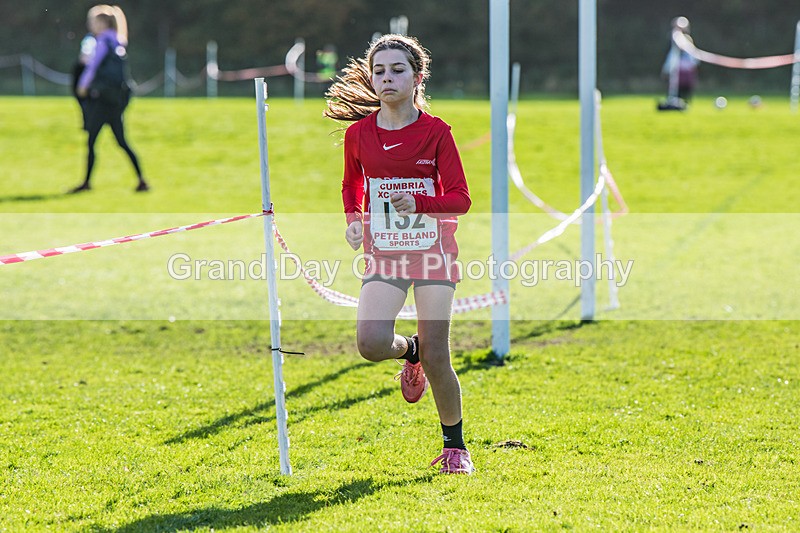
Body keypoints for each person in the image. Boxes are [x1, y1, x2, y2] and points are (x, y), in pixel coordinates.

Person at [325, 34, 474, 474]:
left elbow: (461, 198)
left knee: (438, 356)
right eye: (379, 71)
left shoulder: (436, 133)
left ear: (417, 77)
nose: (387, 78)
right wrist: (354, 219)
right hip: (385, 253)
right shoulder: (359, 134)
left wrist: (420, 203)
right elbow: (352, 184)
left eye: (397, 70)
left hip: (433, 253)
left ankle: (455, 449)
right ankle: (409, 351)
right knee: (370, 343)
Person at [69, 5, 149, 193]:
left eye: (93, 22)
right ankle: (141, 180)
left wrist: (82, 85)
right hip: (116, 100)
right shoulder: (118, 41)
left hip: (102, 99)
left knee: (91, 141)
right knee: (122, 141)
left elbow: (93, 66)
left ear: (103, 23)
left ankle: (86, 183)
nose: (91, 25)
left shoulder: (102, 40)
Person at [660, 16, 700, 109]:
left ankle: (684, 105)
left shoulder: (688, 42)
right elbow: (671, 58)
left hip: (686, 73)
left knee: (686, 92)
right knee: (675, 90)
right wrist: (666, 69)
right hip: (676, 71)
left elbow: (693, 59)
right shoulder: (674, 43)